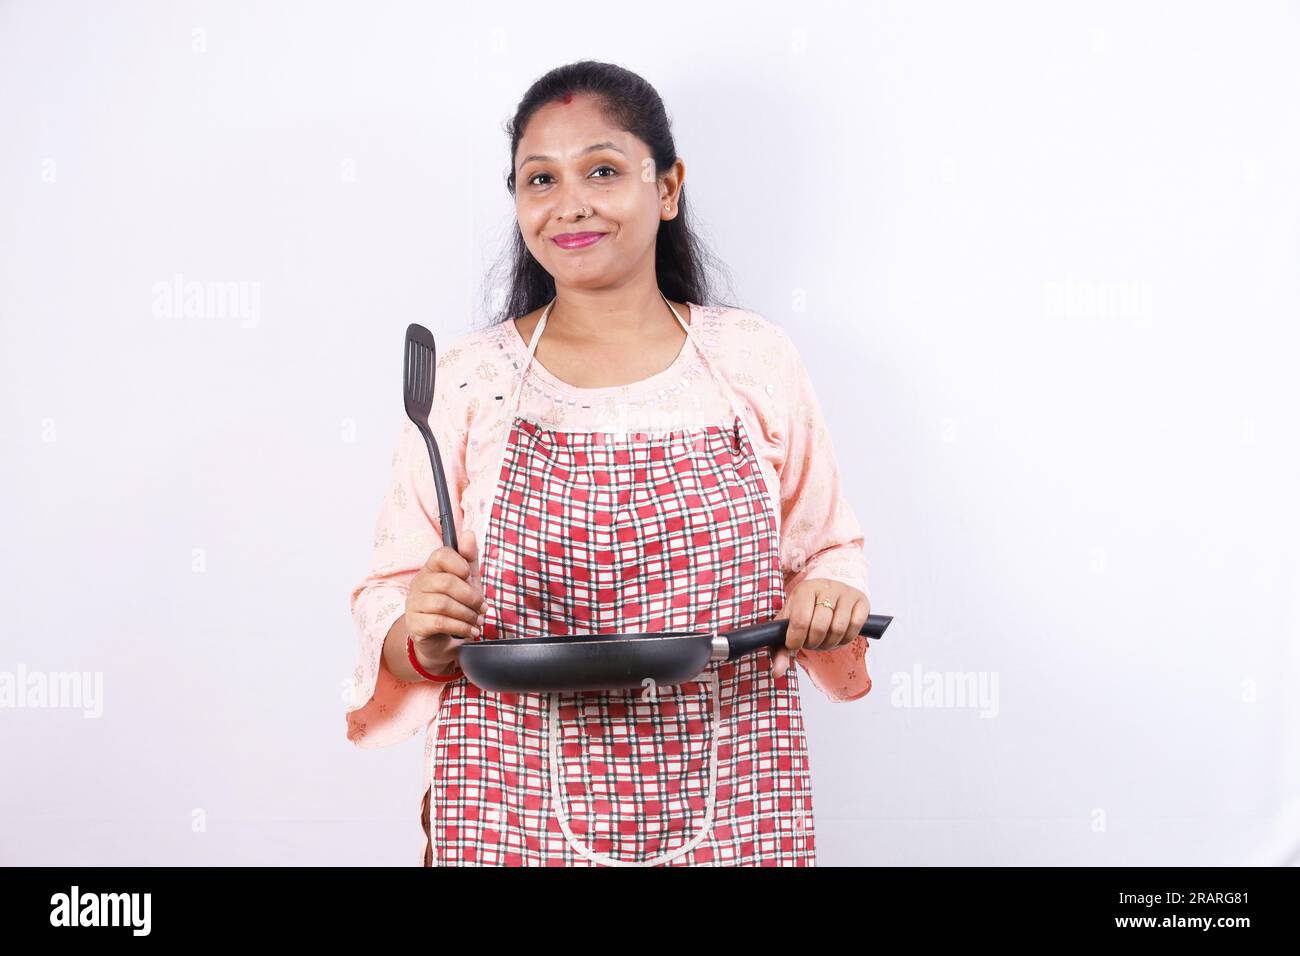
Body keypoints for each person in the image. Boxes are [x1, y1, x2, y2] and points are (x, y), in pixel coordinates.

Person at [346, 60, 875, 867]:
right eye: (539, 180)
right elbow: (390, 598)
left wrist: (832, 596)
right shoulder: (467, 381)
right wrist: (418, 629)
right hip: (506, 805)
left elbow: (826, 551)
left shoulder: (752, 361)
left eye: (601, 170)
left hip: (732, 802)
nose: (570, 203)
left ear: (667, 188)